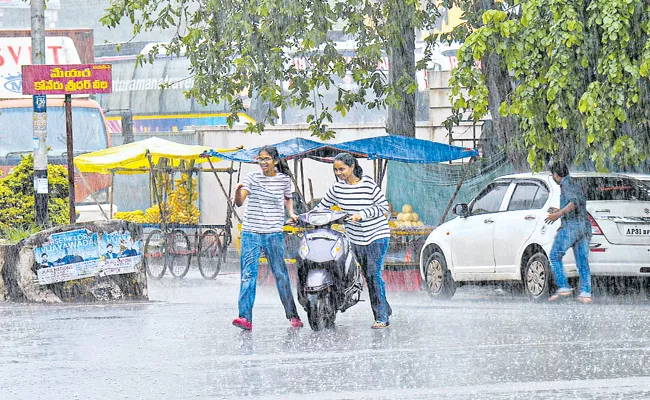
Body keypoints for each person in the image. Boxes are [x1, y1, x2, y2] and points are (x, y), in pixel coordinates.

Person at [313, 152, 392, 328]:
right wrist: (306, 217)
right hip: (355, 238)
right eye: (335, 169)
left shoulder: (367, 183)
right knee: (366, 275)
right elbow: (322, 206)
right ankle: (384, 307)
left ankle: (381, 317)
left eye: (342, 169)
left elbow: (383, 206)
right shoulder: (337, 188)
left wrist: (361, 215)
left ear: (352, 167)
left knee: (373, 274)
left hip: (376, 236)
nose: (338, 172)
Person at [231, 145, 304, 331]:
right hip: (251, 232)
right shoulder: (252, 178)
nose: (263, 163)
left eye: (266, 159)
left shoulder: (283, 180)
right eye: (260, 159)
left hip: (273, 232)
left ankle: (293, 315)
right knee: (248, 274)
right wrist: (237, 191)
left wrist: (291, 213)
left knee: (280, 274)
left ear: (276, 161)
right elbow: (240, 203)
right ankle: (245, 317)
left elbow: (287, 197)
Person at [545, 161, 593, 304]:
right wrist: (558, 210)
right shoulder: (573, 183)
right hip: (584, 227)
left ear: (556, 174)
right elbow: (574, 202)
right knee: (582, 260)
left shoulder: (566, 183)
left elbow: (574, 202)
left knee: (554, 255)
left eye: (552, 174)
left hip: (572, 227)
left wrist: (558, 215)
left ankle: (564, 286)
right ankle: (585, 293)